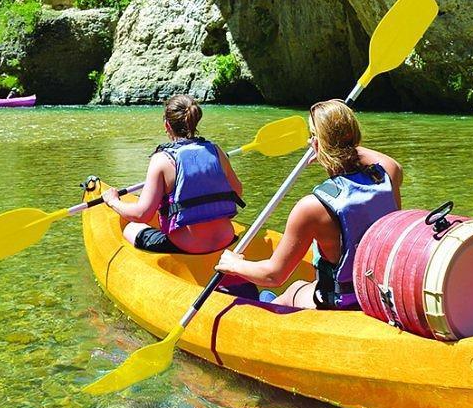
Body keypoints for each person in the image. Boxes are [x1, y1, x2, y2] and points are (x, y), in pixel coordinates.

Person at [216, 99, 401, 308]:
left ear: (317, 144)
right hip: (378, 294)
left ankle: (269, 305)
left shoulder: (312, 208)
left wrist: (234, 264)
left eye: (313, 136)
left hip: (344, 302)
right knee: (301, 286)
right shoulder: (387, 176)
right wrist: (339, 145)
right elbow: (386, 161)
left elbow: (273, 276)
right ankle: (270, 300)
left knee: (293, 289)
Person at [103, 94, 244, 254]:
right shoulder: (216, 151)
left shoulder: (161, 160)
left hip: (188, 246)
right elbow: (237, 191)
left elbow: (142, 214)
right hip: (226, 238)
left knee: (131, 228)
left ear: (167, 125)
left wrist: (113, 201)